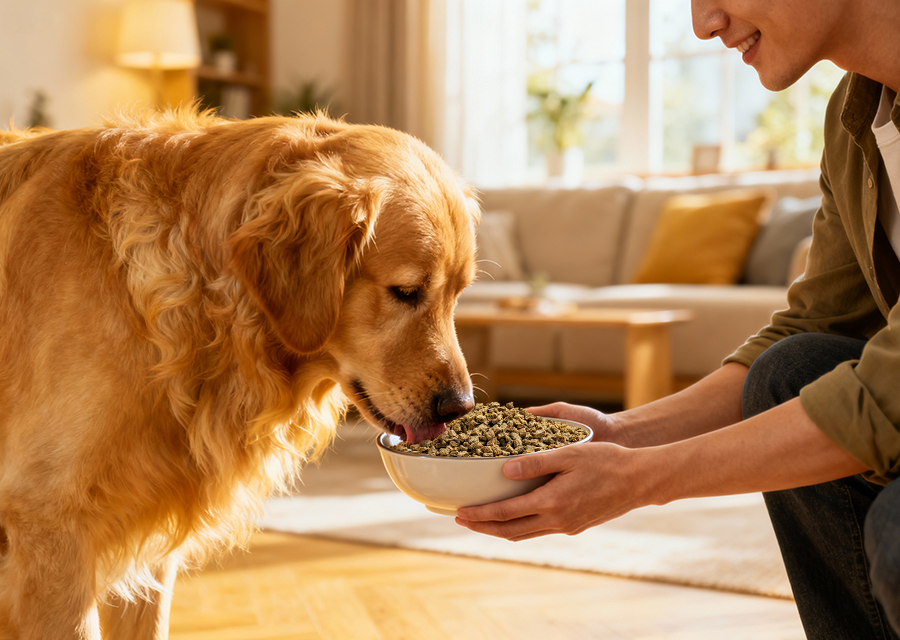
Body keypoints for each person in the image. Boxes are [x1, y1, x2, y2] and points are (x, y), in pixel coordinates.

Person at [454, 1, 900, 638]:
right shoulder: (855, 121)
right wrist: (621, 433)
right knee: (790, 370)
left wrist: (638, 480)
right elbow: (812, 322)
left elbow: (886, 395)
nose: (702, 22)